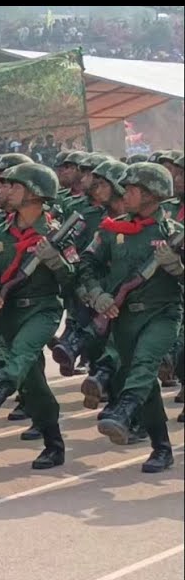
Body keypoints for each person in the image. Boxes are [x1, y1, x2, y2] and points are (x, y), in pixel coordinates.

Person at [78, 162, 182, 473]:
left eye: (134, 189)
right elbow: (87, 265)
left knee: (145, 364)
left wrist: (177, 266)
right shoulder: (112, 230)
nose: (127, 194)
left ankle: (123, 410)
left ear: (152, 194)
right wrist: (97, 294)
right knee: (145, 382)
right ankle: (161, 448)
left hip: (162, 313)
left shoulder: (174, 234)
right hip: (122, 318)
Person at [0, 163, 73, 470]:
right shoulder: (0, 233)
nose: (6, 190)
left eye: (14, 186)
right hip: (8, 312)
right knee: (32, 382)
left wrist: (55, 261)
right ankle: (54, 444)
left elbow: (72, 279)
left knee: (23, 352)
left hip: (43, 308)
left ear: (34, 193)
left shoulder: (56, 234)